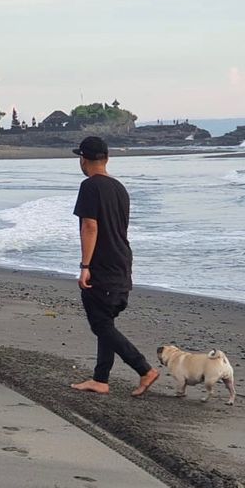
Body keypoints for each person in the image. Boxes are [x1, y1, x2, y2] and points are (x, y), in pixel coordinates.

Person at [69, 136, 159, 397]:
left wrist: (85, 265)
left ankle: (144, 369)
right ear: (107, 158)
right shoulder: (120, 188)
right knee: (105, 321)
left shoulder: (89, 186)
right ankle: (100, 379)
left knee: (101, 325)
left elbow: (90, 226)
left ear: (83, 160)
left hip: (103, 264)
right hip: (122, 262)